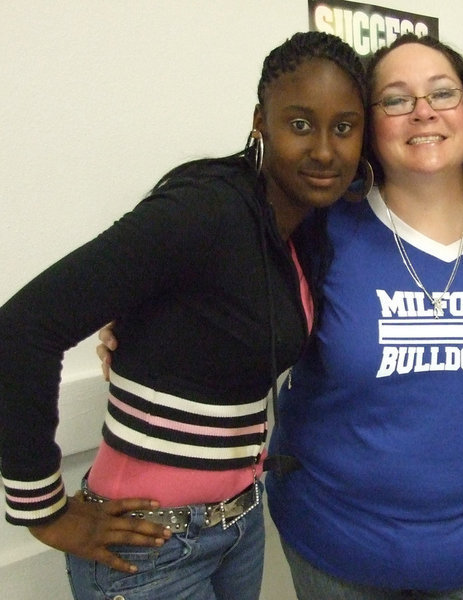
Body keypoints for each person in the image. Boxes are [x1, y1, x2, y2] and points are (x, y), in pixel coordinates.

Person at [0, 31, 366, 600]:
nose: (324, 149)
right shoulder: (207, 209)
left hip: (238, 528)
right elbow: (23, 329)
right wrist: (41, 511)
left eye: (344, 127)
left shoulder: (303, 232)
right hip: (148, 548)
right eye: (300, 123)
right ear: (259, 122)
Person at [261, 34, 463, 600]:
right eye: (395, 99)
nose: (423, 112)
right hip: (336, 548)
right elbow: (219, 296)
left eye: (442, 93)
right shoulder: (319, 228)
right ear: (368, 123)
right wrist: (144, 332)